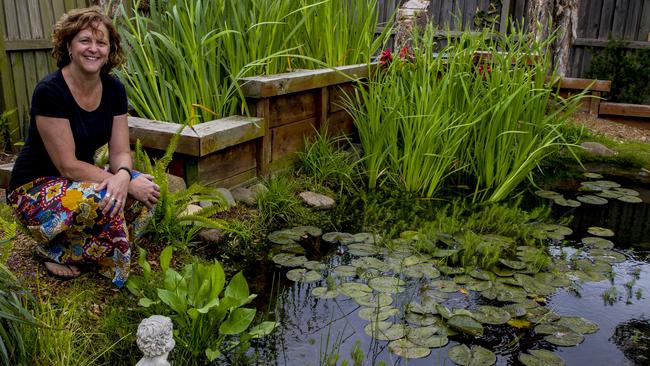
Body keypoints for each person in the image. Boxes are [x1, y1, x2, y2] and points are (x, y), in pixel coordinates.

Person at [7, 6, 160, 287]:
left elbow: (120, 152)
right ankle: (56, 250)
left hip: (81, 181)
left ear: (110, 49)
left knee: (147, 192)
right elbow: (68, 165)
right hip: (35, 187)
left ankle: (72, 249)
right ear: (69, 45)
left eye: (101, 42)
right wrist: (116, 182)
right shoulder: (50, 91)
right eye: (85, 40)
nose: (94, 49)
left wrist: (125, 176)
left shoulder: (114, 89)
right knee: (105, 200)